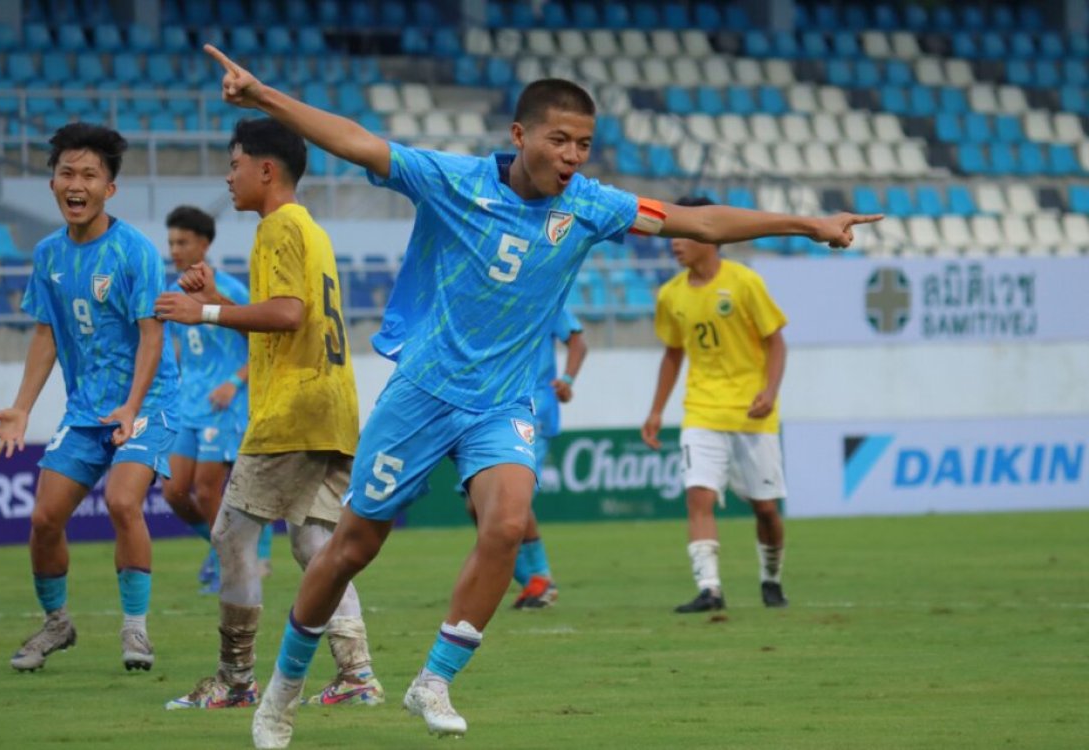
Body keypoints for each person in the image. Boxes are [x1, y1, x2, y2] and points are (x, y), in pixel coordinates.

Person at [201, 44, 879, 748]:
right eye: (560, 139)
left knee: (505, 523)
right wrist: (265, 97)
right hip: (424, 393)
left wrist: (808, 224)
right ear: (520, 136)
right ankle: (280, 694)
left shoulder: (593, 206)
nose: (574, 155)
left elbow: (697, 222)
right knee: (350, 549)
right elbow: (360, 144)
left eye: (585, 143)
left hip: (506, 402)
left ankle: (432, 680)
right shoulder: (454, 181)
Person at [154, 118, 383, 713]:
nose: (227, 177)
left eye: (233, 164)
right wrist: (225, 302)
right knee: (314, 545)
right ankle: (357, 673)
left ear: (265, 169)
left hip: (291, 409)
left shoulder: (276, 228)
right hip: (331, 406)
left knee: (231, 533)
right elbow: (292, 321)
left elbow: (284, 316)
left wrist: (203, 313)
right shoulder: (310, 228)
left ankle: (234, 680)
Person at [0, 123, 180, 673]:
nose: (77, 182)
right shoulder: (47, 256)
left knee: (121, 501)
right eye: (67, 172)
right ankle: (57, 624)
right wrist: (21, 407)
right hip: (85, 410)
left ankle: (135, 630)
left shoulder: (134, 251)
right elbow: (46, 332)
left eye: (90, 174)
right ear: (52, 184)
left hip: (146, 400)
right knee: (44, 519)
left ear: (109, 189)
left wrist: (133, 407)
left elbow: (152, 334)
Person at [641, 196, 791, 614]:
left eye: (683, 233)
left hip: (751, 414)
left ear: (711, 236)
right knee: (698, 497)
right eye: (672, 234)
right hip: (701, 411)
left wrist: (770, 390)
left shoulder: (744, 282)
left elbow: (775, 341)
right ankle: (710, 588)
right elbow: (673, 354)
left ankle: (771, 577)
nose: (674, 242)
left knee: (765, 510)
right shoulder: (670, 295)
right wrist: (655, 411)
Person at [159, 205, 273, 594]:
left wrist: (233, 382)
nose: (175, 249)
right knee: (173, 491)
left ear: (204, 245)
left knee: (208, 489)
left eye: (183, 241)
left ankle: (234, 563)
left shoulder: (231, 290)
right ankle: (223, 548)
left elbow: (260, 343)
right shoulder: (172, 292)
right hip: (188, 404)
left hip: (224, 403)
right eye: (172, 242)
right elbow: (185, 347)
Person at [469, 306, 587, 610]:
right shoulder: (489, 300)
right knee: (476, 505)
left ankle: (540, 579)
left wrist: (568, 380)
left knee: (511, 497)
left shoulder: (546, 296)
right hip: (492, 408)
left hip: (535, 410)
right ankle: (531, 580)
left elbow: (577, 340)